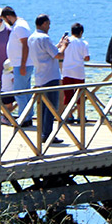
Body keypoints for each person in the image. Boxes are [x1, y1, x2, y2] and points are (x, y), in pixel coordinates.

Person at [28, 14, 67, 144]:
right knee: (51, 107)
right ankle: (48, 135)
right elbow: (58, 55)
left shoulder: (32, 38)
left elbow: (47, 52)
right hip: (51, 76)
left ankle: (43, 133)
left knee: (43, 107)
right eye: (48, 24)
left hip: (40, 76)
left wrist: (59, 43)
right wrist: (65, 45)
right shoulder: (44, 38)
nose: (49, 27)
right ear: (44, 24)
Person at [1, 6, 34, 125]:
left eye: (5, 20)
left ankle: (24, 118)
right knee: (24, 92)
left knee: (19, 93)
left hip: (22, 64)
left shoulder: (19, 26)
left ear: (9, 17)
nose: (6, 23)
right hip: (20, 64)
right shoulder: (19, 25)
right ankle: (27, 116)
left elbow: (25, 45)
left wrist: (23, 64)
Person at [61, 23, 90, 109]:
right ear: (81, 32)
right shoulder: (84, 43)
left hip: (66, 71)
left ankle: (68, 116)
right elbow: (87, 58)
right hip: (78, 72)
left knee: (68, 94)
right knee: (80, 94)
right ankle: (80, 115)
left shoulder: (66, 41)